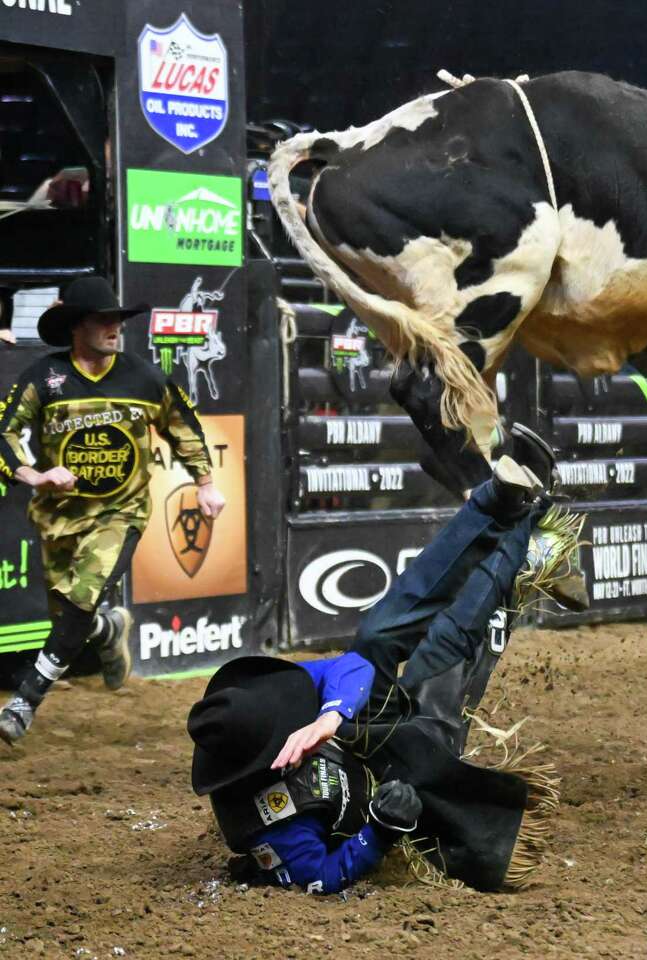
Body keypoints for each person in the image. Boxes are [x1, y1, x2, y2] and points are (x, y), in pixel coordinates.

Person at [188, 431, 579, 895]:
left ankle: (498, 500)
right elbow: (324, 875)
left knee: (376, 634)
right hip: (404, 767)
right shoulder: (272, 825)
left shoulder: (273, 697)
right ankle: (526, 532)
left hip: (364, 726)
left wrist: (330, 715)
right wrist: (381, 827)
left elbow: (349, 667)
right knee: (449, 644)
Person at [0, 277, 226, 745]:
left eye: (118, 321)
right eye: (104, 320)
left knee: (81, 598)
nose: (114, 329)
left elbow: (183, 426)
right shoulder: (44, 377)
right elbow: (3, 432)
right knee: (71, 616)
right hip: (58, 516)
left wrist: (205, 483)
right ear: (77, 327)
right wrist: (33, 475)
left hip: (121, 513)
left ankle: (25, 699)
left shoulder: (144, 377)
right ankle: (107, 630)